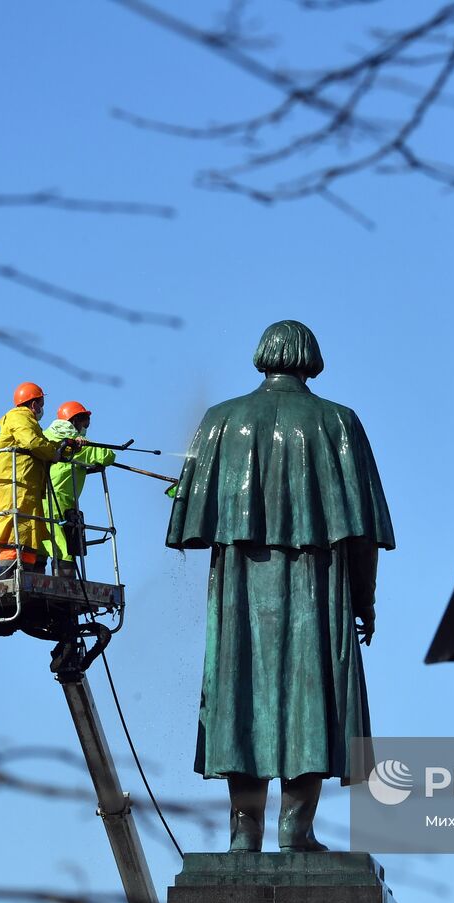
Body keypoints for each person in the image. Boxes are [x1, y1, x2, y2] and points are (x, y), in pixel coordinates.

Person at [166, 320, 395, 852]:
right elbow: (362, 534)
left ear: (262, 355)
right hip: (317, 590)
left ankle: (243, 837)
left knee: (241, 694)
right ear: (311, 358)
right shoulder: (338, 423)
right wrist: (365, 601)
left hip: (241, 595)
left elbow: (187, 522)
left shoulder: (221, 420)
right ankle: (297, 831)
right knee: (309, 699)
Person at [0, 382, 84, 575]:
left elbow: (43, 442)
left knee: (26, 536)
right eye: (40, 404)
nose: (41, 409)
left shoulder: (30, 423)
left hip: (25, 489)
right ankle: (9, 577)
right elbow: (33, 442)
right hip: (12, 488)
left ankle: (25, 576)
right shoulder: (19, 417)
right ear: (33, 404)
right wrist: (55, 454)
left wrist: (66, 447)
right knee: (13, 536)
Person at [42, 400, 117, 578]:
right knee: (62, 548)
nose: (86, 428)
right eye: (85, 423)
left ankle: (36, 574)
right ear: (74, 420)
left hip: (40, 497)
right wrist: (87, 444)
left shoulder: (46, 435)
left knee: (41, 544)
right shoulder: (76, 443)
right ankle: (67, 588)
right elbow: (107, 456)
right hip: (58, 499)